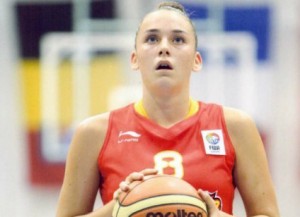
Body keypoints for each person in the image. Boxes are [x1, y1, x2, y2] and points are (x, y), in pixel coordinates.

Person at [56, 1, 280, 217]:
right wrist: (118, 208)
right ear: (134, 59)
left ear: (197, 60)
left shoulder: (235, 127)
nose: (164, 48)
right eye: (152, 39)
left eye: (178, 39)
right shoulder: (93, 133)